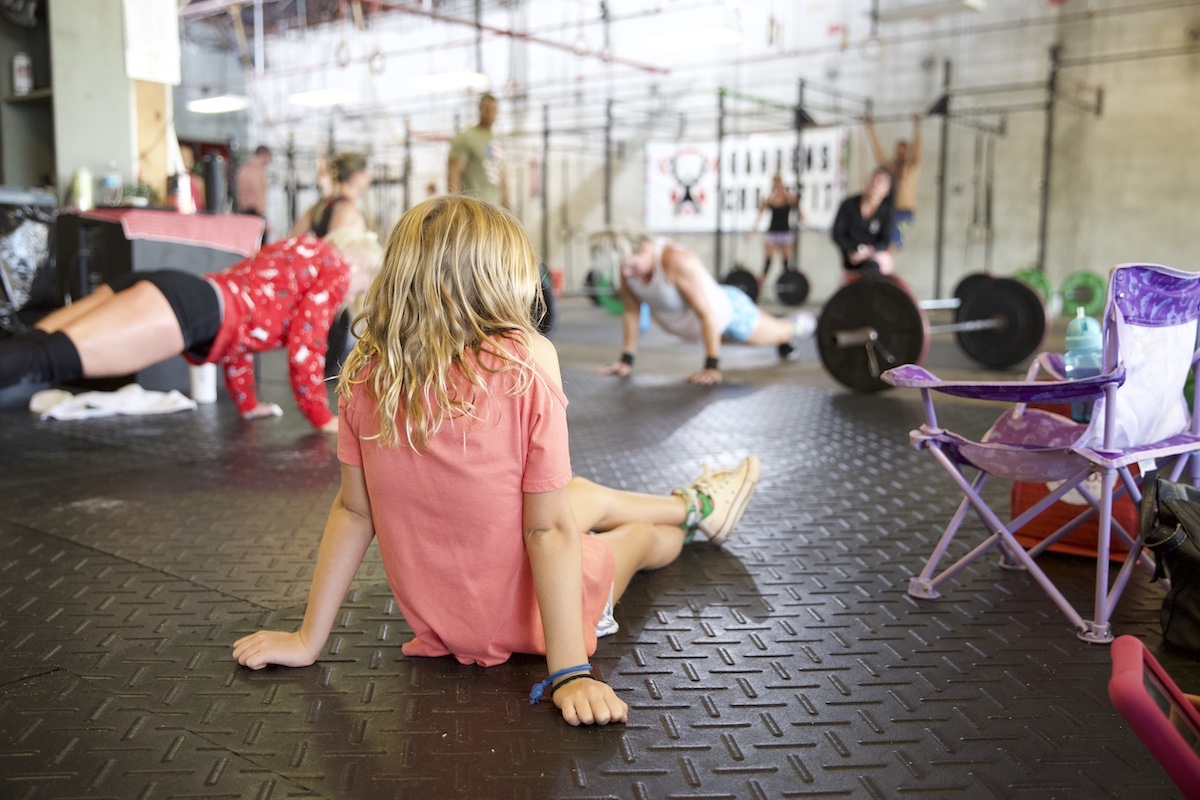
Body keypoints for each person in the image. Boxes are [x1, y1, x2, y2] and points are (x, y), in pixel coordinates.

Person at [230, 196, 762, 727]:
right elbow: (548, 531)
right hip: (525, 621)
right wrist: (570, 673)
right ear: (499, 279)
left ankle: (690, 501)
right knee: (637, 539)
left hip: (445, 619)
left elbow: (353, 512)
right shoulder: (527, 359)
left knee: (581, 493)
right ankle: (696, 514)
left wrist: (307, 639)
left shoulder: (367, 370)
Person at [0, 228, 383, 432]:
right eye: (362, 285)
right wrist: (321, 416)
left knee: (36, 343)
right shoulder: (336, 268)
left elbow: (242, 333)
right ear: (359, 263)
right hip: (190, 307)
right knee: (45, 358)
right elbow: (307, 343)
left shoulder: (299, 249)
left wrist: (248, 405)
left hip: (179, 289)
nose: (353, 293)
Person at [589, 231, 817, 386]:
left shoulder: (674, 260)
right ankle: (782, 336)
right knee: (771, 335)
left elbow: (707, 313)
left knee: (783, 330)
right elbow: (631, 312)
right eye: (623, 268)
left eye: (630, 266)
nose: (627, 273)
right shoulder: (629, 270)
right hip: (704, 331)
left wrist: (711, 366)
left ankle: (807, 322)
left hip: (730, 316)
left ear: (645, 248)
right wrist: (626, 361)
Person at [865, 114, 921, 250]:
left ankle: (884, 265)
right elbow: (878, 151)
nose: (900, 153)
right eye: (898, 150)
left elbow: (918, 149)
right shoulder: (891, 169)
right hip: (891, 211)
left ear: (908, 152)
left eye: (903, 150)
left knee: (893, 243)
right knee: (884, 240)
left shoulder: (912, 169)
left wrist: (917, 127)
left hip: (905, 211)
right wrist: (869, 128)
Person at [831, 167, 895, 279]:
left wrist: (869, 252)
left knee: (875, 268)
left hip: (875, 259)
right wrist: (854, 250)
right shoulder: (849, 205)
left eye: (880, 182)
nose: (875, 184)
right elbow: (838, 234)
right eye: (873, 180)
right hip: (851, 258)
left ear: (886, 190)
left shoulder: (887, 211)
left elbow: (886, 240)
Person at [447, 94, 508, 207]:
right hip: (473, 208)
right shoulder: (466, 138)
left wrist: (508, 208)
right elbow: (454, 171)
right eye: (486, 109)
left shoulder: (497, 142)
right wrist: (453, 207)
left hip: (495, 209)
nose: (490, 113)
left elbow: (502, 177)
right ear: (479, 109)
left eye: (494, 110)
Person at [292, 152, 371, 238]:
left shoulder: (318, 207)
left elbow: (292, 237)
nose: (369, 180)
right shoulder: (346, 209)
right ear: (357, 176)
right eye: (366, 174)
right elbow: (335, 246)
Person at [748, 174, 801, 287]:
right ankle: (759, 288)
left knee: (786, 263)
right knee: (767, 262)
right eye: (775, 183)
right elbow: (759, 215)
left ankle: (786, 285)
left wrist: (806, 224)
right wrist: (751, 229)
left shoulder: (789, 199)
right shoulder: (769, 199)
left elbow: (800, 213)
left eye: (778, 183)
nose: (777, 186)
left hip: (785, 233)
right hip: (772, 233)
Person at [235, 146, 272, 219]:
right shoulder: (258, 171)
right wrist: (263, 215)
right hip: (256, 211)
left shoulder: (243, 170)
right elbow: (258, 191)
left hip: (243, 210)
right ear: (265, 155)